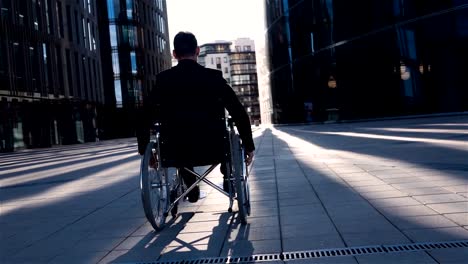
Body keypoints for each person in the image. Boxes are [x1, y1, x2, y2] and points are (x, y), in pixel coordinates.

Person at [136, 31, 255, 203]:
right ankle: (228, 176)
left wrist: (145, 150)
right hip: (214, 147)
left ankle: (190, 185)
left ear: (174, 54)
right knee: (225, 137)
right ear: (198, 50)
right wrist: (249, 146)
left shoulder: (163, 81)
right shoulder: (214, 78)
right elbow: (239, 113)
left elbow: (143, 117)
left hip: (175, 151)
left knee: (179, 139)